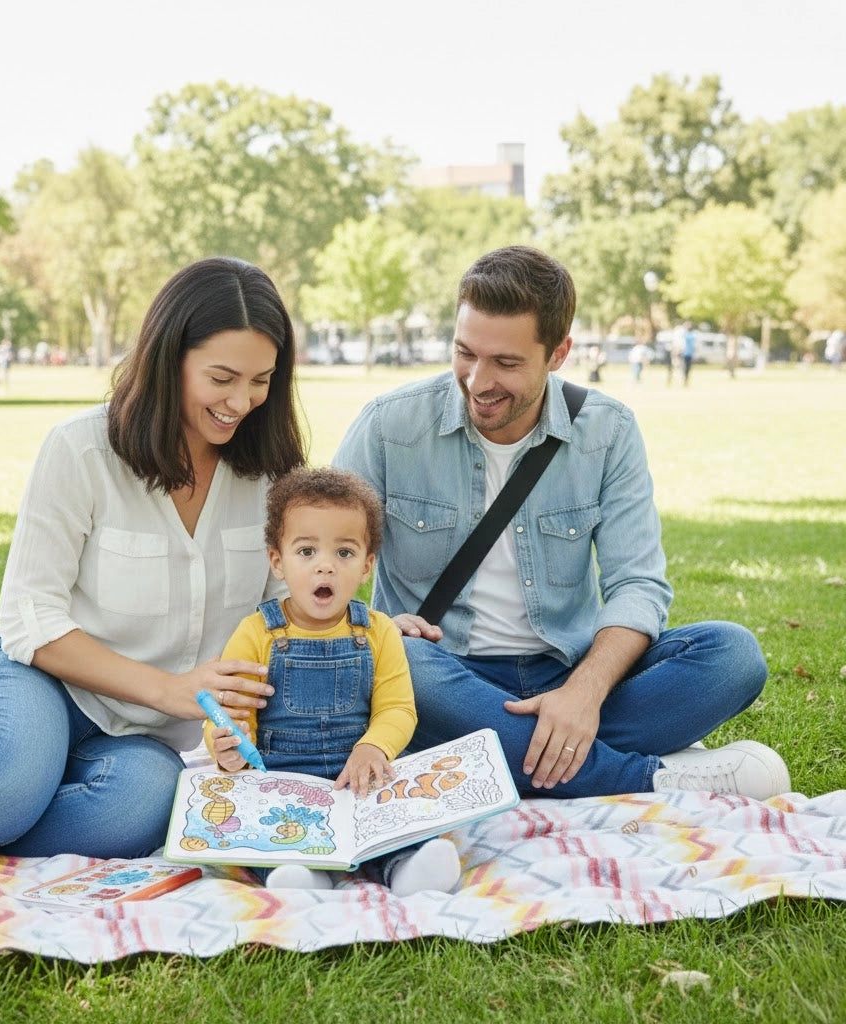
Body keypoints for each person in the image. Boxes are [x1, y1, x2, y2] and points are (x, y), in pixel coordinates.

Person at [0, 256, 306, 857]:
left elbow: (283, 613)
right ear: (169, 360)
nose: (241, 400)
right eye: (222, 377)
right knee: (2, 789)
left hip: (142, 735)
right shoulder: (81, 450)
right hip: (37, 679)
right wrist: (167, 688)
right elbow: (32, 618)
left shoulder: (274, 476)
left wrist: (366, 632)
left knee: (142, 808)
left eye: (261, 380)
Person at [333, 245, 788, 804]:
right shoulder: (388, 426)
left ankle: (493, 755)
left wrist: (584, 693)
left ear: (559, 353)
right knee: (388, 656)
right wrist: (378, 625)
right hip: (438, 672)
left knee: (732, 656)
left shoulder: (608, 431)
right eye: (465, 353)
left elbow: (637, 585)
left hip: (566, 670)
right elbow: (315, 559)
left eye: (505, 363)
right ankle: (643, 778)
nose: (477, 381)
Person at [206, 466, 461, 896]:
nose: (325, 566)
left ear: (367, 565)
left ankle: (407, 866)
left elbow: (397, 708)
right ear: (278, 561)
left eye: (344, 553)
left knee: (394, 819)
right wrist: (226, 746)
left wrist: (373, 747)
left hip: (360, 774)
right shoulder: (256, 632)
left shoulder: (378, 630)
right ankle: (299, 875)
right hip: (283, 780)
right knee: (266, 828)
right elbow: (230, 713)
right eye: (306, 552)